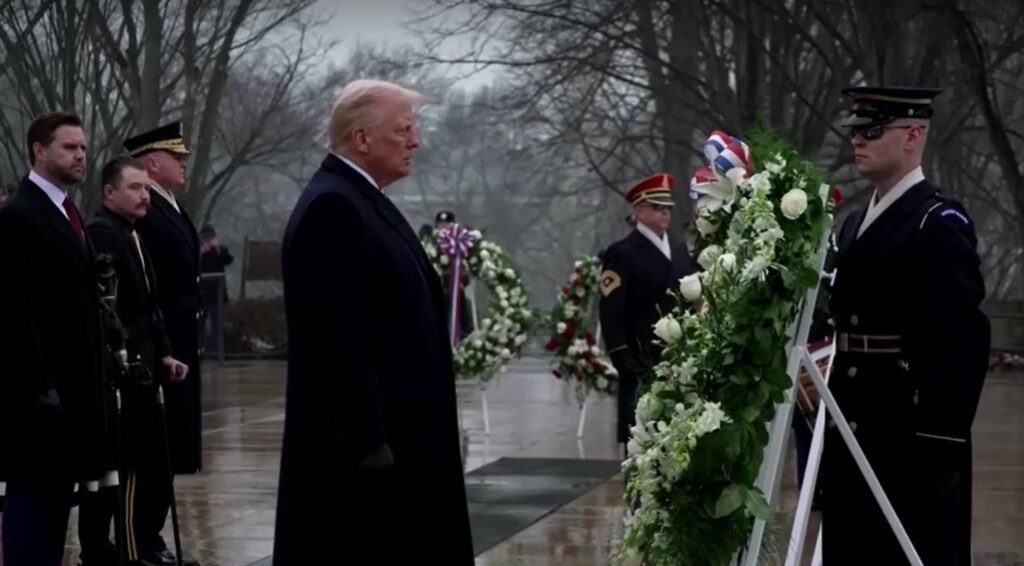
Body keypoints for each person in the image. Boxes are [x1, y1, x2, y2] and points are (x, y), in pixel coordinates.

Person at [273, 80, 473, 564]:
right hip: (369, 460)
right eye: (404, 129)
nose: (416, 141)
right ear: (362, 139)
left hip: (403, 443)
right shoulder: (334, 208)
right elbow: (341, 343)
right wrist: (369, 443)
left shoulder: (363, 200)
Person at [822, 86, 990, 565]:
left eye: (872, 130)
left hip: (906, 433)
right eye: (855, 130)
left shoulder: (936, 222)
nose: (858, 139)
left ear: (913, 135)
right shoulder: (855, 222)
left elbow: (962, 344)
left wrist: (939, 445)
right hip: (855, 422)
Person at [0, 111, 115, 566]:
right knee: (31, 508)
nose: (81, 155)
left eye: (84, 147)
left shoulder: (67, 213)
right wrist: (39, 385)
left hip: (72, 391)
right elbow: (13, 311)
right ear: (39, 151)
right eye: (70, 147)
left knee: (55, 512)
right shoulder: (19, 216)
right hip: (38, 397)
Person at [79, 157, 197, 566]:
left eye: (147, 189)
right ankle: (132, 549)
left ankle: (142, 542)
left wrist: (164, 352)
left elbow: (150, 303)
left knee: (150, 460)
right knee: (129, 466)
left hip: (147, 363)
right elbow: (112, 310)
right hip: (123, 371)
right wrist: (128, 359)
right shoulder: (102, 234)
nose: (144, 195)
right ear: (109, 193)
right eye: (135, 188)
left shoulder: (133, 234)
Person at [125, 122, 204, 478]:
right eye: (176, 156)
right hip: (165, 332)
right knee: (163, 438)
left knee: (178, 433)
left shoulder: (169, 204)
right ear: (152, 164)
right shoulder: (147, 209)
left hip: (183, 331)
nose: (184, 161)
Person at [599, 174, 695, 448]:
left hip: (677, 360)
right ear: (639, 211)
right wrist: (621, 355)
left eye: (667, 207)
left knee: (675, 443)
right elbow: (611, 309)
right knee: (641, 444)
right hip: (640, 360)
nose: (665, 212)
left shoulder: (678, 250)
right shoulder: (622, 253)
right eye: (656, 206)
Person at [199, 224, 234, 353]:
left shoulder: (220, 249)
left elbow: (229, 260)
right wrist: (202, 252)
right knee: (199, 325)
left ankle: (216, 351)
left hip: (216, 294)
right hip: (202, 294)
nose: (208, 239)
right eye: (205, 237)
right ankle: (200, 350)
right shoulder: (198, 250)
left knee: (216, 325)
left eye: (210, 237)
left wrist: (218, 250)